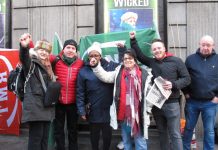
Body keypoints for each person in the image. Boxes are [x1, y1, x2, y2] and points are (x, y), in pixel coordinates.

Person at [129, 31, 191, 150]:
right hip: (156, 104)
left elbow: (187, 79)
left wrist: (173, 84)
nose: (157, 51)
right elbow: (140, 55)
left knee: (175, 134)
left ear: (164, 48)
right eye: (154, 49)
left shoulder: (176, 61)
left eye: (159, 48)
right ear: (152, 51)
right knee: (162, 133)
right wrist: (133, 40)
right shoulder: (152, 62)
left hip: (172, 103)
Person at [92, 49, 153, 150]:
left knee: (140, 142)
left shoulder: (144, 74)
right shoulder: (119, 72)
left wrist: (148, 109)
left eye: (130, 58)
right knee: (126, 141)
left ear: (135, 59)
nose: (127, 60)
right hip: (123, 114)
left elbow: (150, 94)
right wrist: (96, 66)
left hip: (139, 115)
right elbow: (105, 77)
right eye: (125, 59)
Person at [76, 42, 125, 150]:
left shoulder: (111, 66)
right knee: (94, 136)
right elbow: (80, 93)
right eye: (91, 55)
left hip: (108, 108)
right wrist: (81, 110)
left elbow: (123, 65)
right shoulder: (83, 71)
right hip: (93, 109)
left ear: (100, 56)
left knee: (107, 135)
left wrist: (121, 50)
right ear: (88, 57)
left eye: (96, 55)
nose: (93, 57)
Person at [19, 33, 55, 150]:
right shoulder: (32, 63)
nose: (44, 53)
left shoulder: (48, 67)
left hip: (46, 108)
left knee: (44, 140)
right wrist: (24, 47)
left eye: (46, 51)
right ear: (36, 50)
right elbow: (24, 58)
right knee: (36, 140)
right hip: (35, 108)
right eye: (41, 50)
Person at [182, 35, 218, 150]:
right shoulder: (190, 59)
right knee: (188, 128)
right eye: (203, 45)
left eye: (208, 45)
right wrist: (186, 93)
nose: (205, 47)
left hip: (210, 103)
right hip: (192, 101)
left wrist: (217, 96)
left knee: (209, 131)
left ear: (213, 46)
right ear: (199, 44)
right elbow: (184, 77)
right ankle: (186, 148)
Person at [51, 39, 84, 150]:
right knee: (58, 129)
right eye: (68, 47)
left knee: (73, 129)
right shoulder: (56, 61)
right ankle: (60, 147)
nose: (70, 50)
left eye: (73, 48)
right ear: (63, 49)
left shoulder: (81, 63)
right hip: (58, 102)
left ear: (76, 51)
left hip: (73, 103)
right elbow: (41, 57)